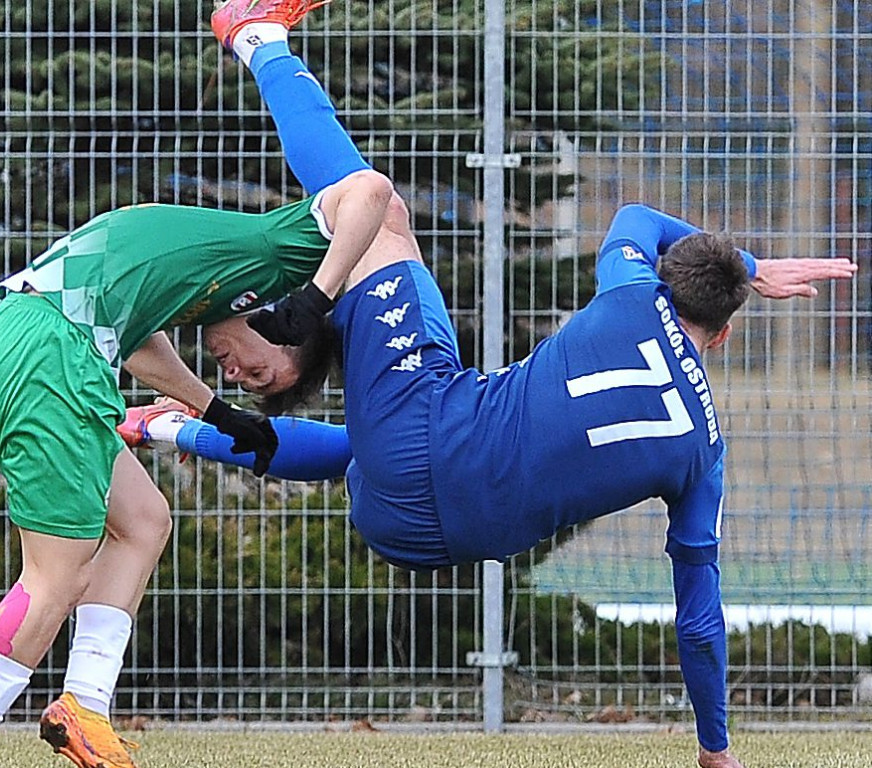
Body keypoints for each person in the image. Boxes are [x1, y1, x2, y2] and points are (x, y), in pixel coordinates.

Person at [121, 2, 861, 766]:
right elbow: (700, 620)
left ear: (658, 283)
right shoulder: (704, 452)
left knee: (379, 220)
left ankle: (257, 37)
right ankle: (165, 426)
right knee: (364, 449)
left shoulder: (629, 297)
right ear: (725, 335)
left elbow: (636, 216)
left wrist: (748, 265)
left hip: (417, 452)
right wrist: (714, 750)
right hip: (422, 528)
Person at [0, 8, 394, 768]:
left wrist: (217, 410)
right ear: (279, 316)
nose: (242, 373)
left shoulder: (199, 289)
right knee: (56, 576)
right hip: (52, 356)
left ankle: (83, 710)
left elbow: (137, 346)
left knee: (142, 518)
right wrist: (320, 299)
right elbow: (371, 195)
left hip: (18, 343)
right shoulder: (274, 254)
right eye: (260, 369)